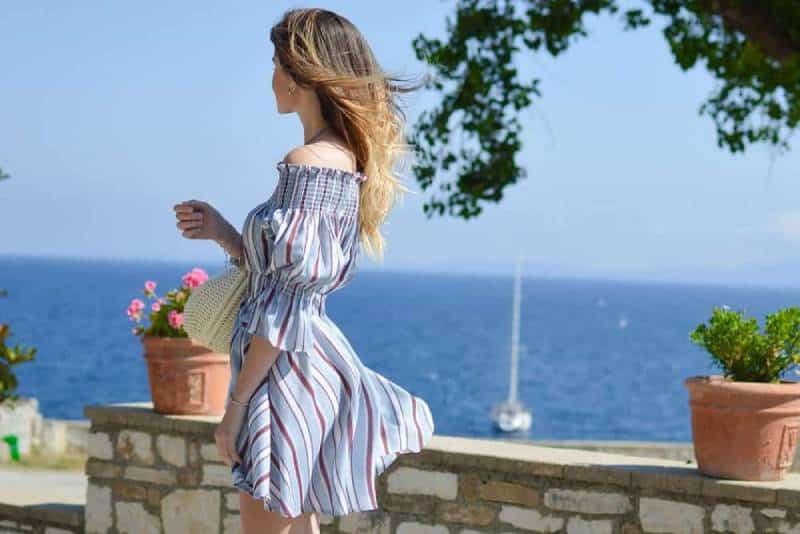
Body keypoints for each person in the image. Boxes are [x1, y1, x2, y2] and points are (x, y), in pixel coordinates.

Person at [172, 7, 435, 534]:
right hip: (302, 369)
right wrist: (226, 232)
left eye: (275, 62)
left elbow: (286, 301)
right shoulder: (338, 160)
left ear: (300, 75)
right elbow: (286, 275)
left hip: (280, 378)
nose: (270, 75)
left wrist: (237, 407)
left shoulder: (309, 162)